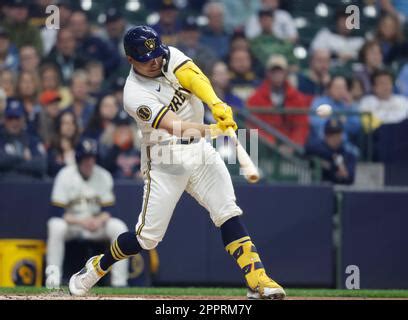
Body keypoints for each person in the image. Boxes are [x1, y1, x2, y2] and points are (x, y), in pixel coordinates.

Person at [68, 25, 286, 300]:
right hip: (164, 158)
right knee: (147, 238)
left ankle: (257, 280)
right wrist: (215, 130)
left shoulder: (169, 56)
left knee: (228, 211)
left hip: (200, 150)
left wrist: (216, 104)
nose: (155, 61)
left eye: (157, 55)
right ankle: (98, 267)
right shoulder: (134, 95)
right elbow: (177, 127)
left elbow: (195, 79)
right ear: (130, 60)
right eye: (147, 60)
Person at [46, 138, 129, 288]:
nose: (89, 162)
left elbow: (110, 209)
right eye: (85, 158)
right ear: (78, 158)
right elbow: (57, 211)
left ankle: (120, 283)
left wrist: (98, 221)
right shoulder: (65, 175)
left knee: (119, 227)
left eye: (92, 157)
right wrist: (81, 222)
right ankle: (53, 279)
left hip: (95, 225)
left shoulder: (103, 175)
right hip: (73, 225)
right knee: (55, 226)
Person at [247, 55, 312, 148]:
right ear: (267, 73)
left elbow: (301, 126)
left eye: (280, 71)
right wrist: (270, 144)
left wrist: (291, 146)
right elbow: (252, 126)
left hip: (290, 150)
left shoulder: (297, 98)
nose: (277, 75)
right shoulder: (255, 99)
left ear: (286, 73)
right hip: (264, 149)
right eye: (274, 71)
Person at [0, 98, 46, 181]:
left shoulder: (32, 139)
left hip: (30, 186)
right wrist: (23, 158)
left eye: (17, 118)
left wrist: (10, 162)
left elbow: (41, 165)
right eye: (10, 118)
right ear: (4, 120)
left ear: (23, 119)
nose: (14, 122)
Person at [309, 76, 361, 145]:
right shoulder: (320, 102)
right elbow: (316, 123)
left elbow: (356, 127)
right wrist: (339, 121)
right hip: (323, 142)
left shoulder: (347, 105)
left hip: (344, 144)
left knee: (355, 153)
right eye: (337, 87)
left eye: (343, 88)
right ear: (329, 88)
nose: (340, 91)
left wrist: (351, 105)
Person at [305, 118, 357, 185]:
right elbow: (308, 149)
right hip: (317, 190)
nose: (335, 138)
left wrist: (335, 168)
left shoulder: (348, 155)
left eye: (337, 134)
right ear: (325, 135)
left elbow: (349, 178)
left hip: (340, 190)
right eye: (331, 135)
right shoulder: (318, 149)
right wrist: (333, 158)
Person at [99, 110, 142, 180]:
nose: (123, 130)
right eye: (119, 127)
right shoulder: (107, 149)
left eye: (126, 127)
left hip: (135, 187)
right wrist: (116, 146)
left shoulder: (139, 149)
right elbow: (104, 170)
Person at [47, 110, 79, 177]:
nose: (69, 126)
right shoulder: (52, 149)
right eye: (66, 123)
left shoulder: (80, 147)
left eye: (72, 123)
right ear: (59, 126)